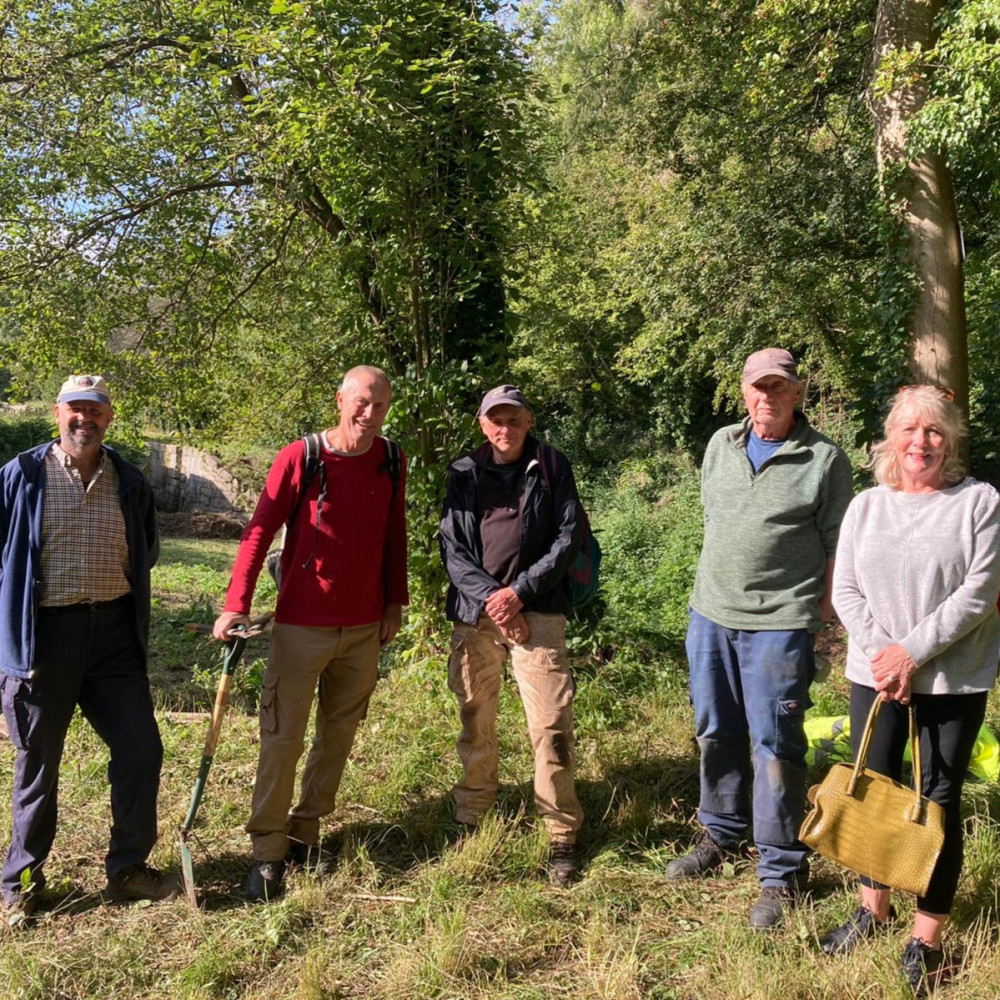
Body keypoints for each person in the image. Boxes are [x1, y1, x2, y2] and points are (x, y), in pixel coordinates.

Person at [819, 385, 1000, 995]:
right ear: (890, 438)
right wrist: (884, 656)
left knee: (936, 797)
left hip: (952, 679)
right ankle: (874, 909)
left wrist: (911, 653)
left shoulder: (978, 501)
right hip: (876, 677)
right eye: (909, 429)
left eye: (934, 431)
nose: (920, 442)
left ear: (949, 440)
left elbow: (978, 592)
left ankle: (926, 936)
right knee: (874, 787)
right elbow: (845, 589)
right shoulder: (868, 506)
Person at [666, 348, 854, 928]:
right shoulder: (720, 445)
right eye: (758, 387)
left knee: (775, 744)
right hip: (711, 614)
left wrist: (816, 620)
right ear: (744, 392)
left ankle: (781, 872)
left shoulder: (824, 459)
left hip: (781, 622)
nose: (767, 396)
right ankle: (721, 832)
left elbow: (838, 550)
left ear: (798, 393)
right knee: (715, 728)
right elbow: (714, 521)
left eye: (779, 387)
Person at [213, 365, 407, 902]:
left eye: (381, 406)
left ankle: (306, 831)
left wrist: (395, 601)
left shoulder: (391, 459)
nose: (370, 415)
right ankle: (267, 852)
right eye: (362, 402)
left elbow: (394, 533)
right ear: (341, 399)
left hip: (366, 628)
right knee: (283, 739)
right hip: (301, 627)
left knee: (338, 736)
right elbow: (259, 533)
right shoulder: (302, 457)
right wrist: (236, 605)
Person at [0, 374, 177, 929]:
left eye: (95, 411)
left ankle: (127, 869)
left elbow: (143, 553)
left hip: (113, 641)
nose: (85, 419)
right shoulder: (20, 477)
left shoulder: (129, 481)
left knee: (141, 749)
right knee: (38, 768)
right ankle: (21, 885)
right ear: (57, 413)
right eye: (76, 409)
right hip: (43, 642)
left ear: (109, 417)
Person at [439, 385, 585, 886]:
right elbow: (454, 550)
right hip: (476, 615)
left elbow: (569, 537)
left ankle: (561, 834)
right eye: (496, 419)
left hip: (537, 612)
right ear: (483, 424)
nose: (506, 428)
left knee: (551, 724)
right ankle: (473, 814)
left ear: (528, 421)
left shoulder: (551, 465)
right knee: (476, 717)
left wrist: (519, 594)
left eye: (515, 419)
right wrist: (496, 603)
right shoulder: (463, 472)